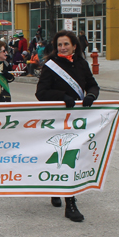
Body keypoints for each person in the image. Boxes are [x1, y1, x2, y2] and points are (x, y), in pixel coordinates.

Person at [35, 30, 99, 222]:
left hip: (78, 119)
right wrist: (62, 97)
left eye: (66, 44)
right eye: (59, 45)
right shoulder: (51, 66)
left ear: (74, 45)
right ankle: (70, 203)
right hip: (58, 118)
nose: (62, 48)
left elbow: (93, 85)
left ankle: (58, 189)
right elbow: (41, 92)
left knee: (74, 156)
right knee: (65, 156)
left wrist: (91, 96)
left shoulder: (81, 64)